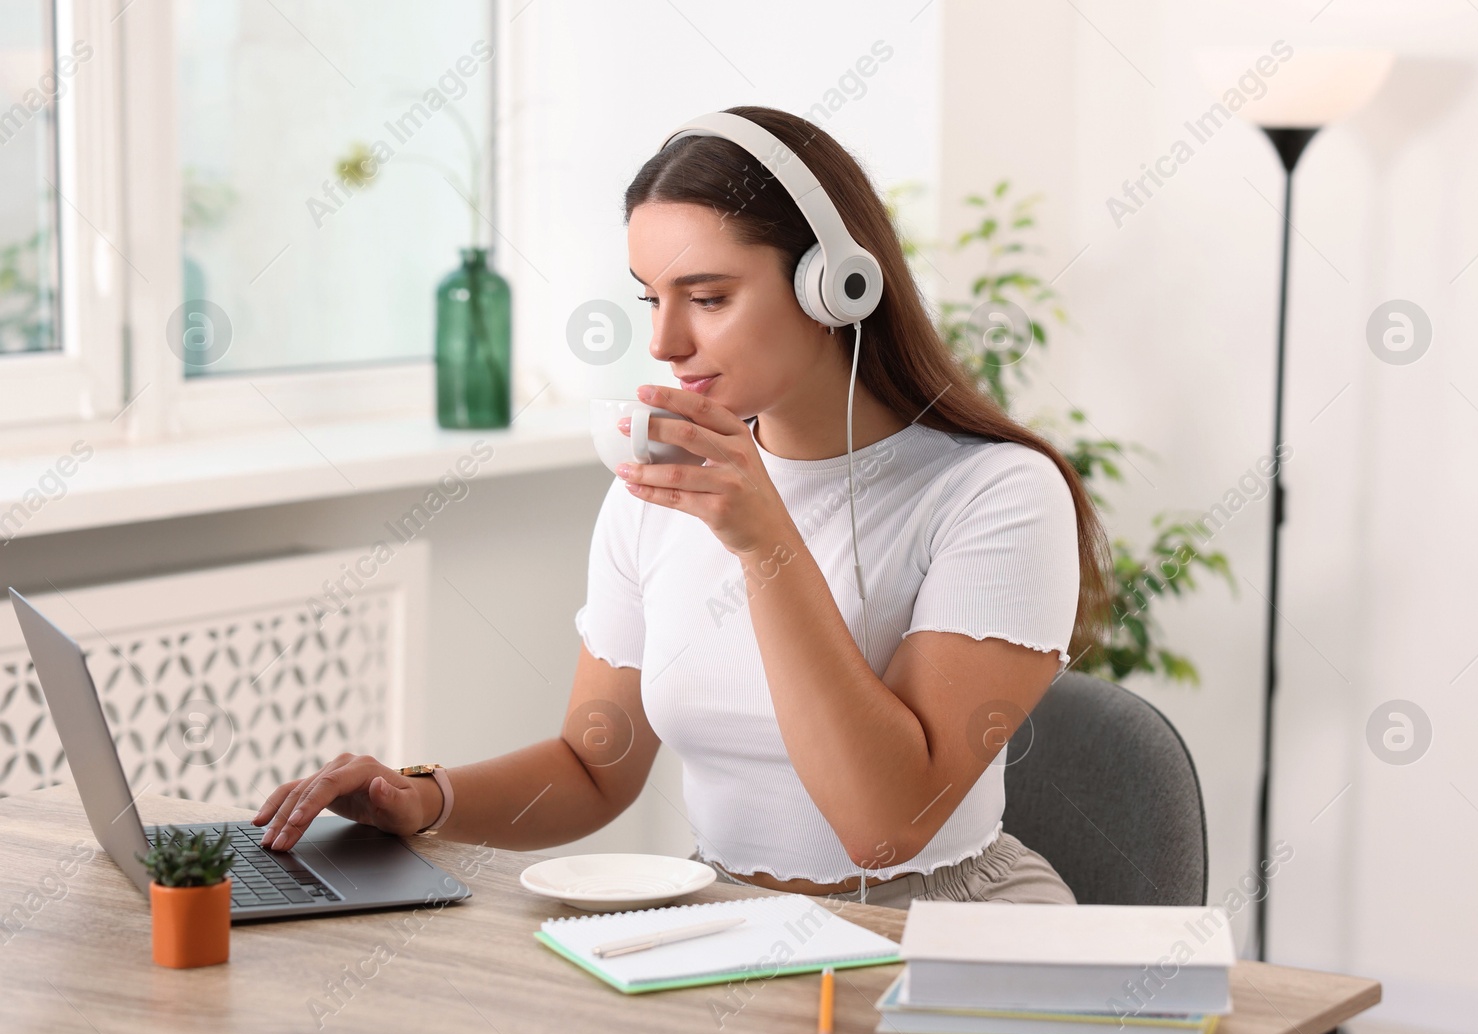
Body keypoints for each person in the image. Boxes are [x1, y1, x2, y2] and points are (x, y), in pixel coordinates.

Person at [254, 105, 1112, 909]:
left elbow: (883, 828)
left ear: (833, 288)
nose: (665, 343)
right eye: (649, 299)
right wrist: (425, 798)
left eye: (707, 298)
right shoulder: (661, 486)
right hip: (727, 919)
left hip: (938, 919)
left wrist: (763, 541)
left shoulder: (995, 494)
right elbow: (594, 768)